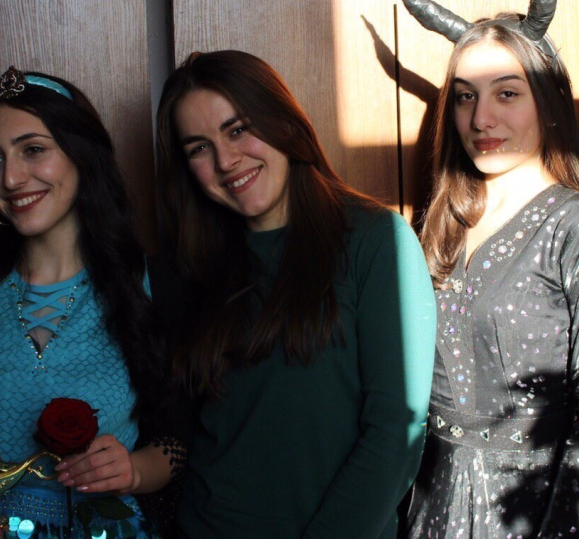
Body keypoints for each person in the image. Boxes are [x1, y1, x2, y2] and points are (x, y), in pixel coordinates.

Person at [381, 0, 579, 538]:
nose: (481, 118)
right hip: (436, 505)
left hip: (534, 511)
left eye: (506, 93)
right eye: (465, 97)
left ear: (546, 101)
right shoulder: (442, 221)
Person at [154, 49, 437, 538]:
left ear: (283, 121)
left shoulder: (376, 241)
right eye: (199, 147)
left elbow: (396, 432)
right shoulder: (194, 264)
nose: (225, 160)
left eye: (237, 129)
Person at [0, 67, 184, 539]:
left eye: (33, 149)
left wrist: (135, 469)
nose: (11, 177)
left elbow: (177, 439)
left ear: (82, 155)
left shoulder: (149, 286)